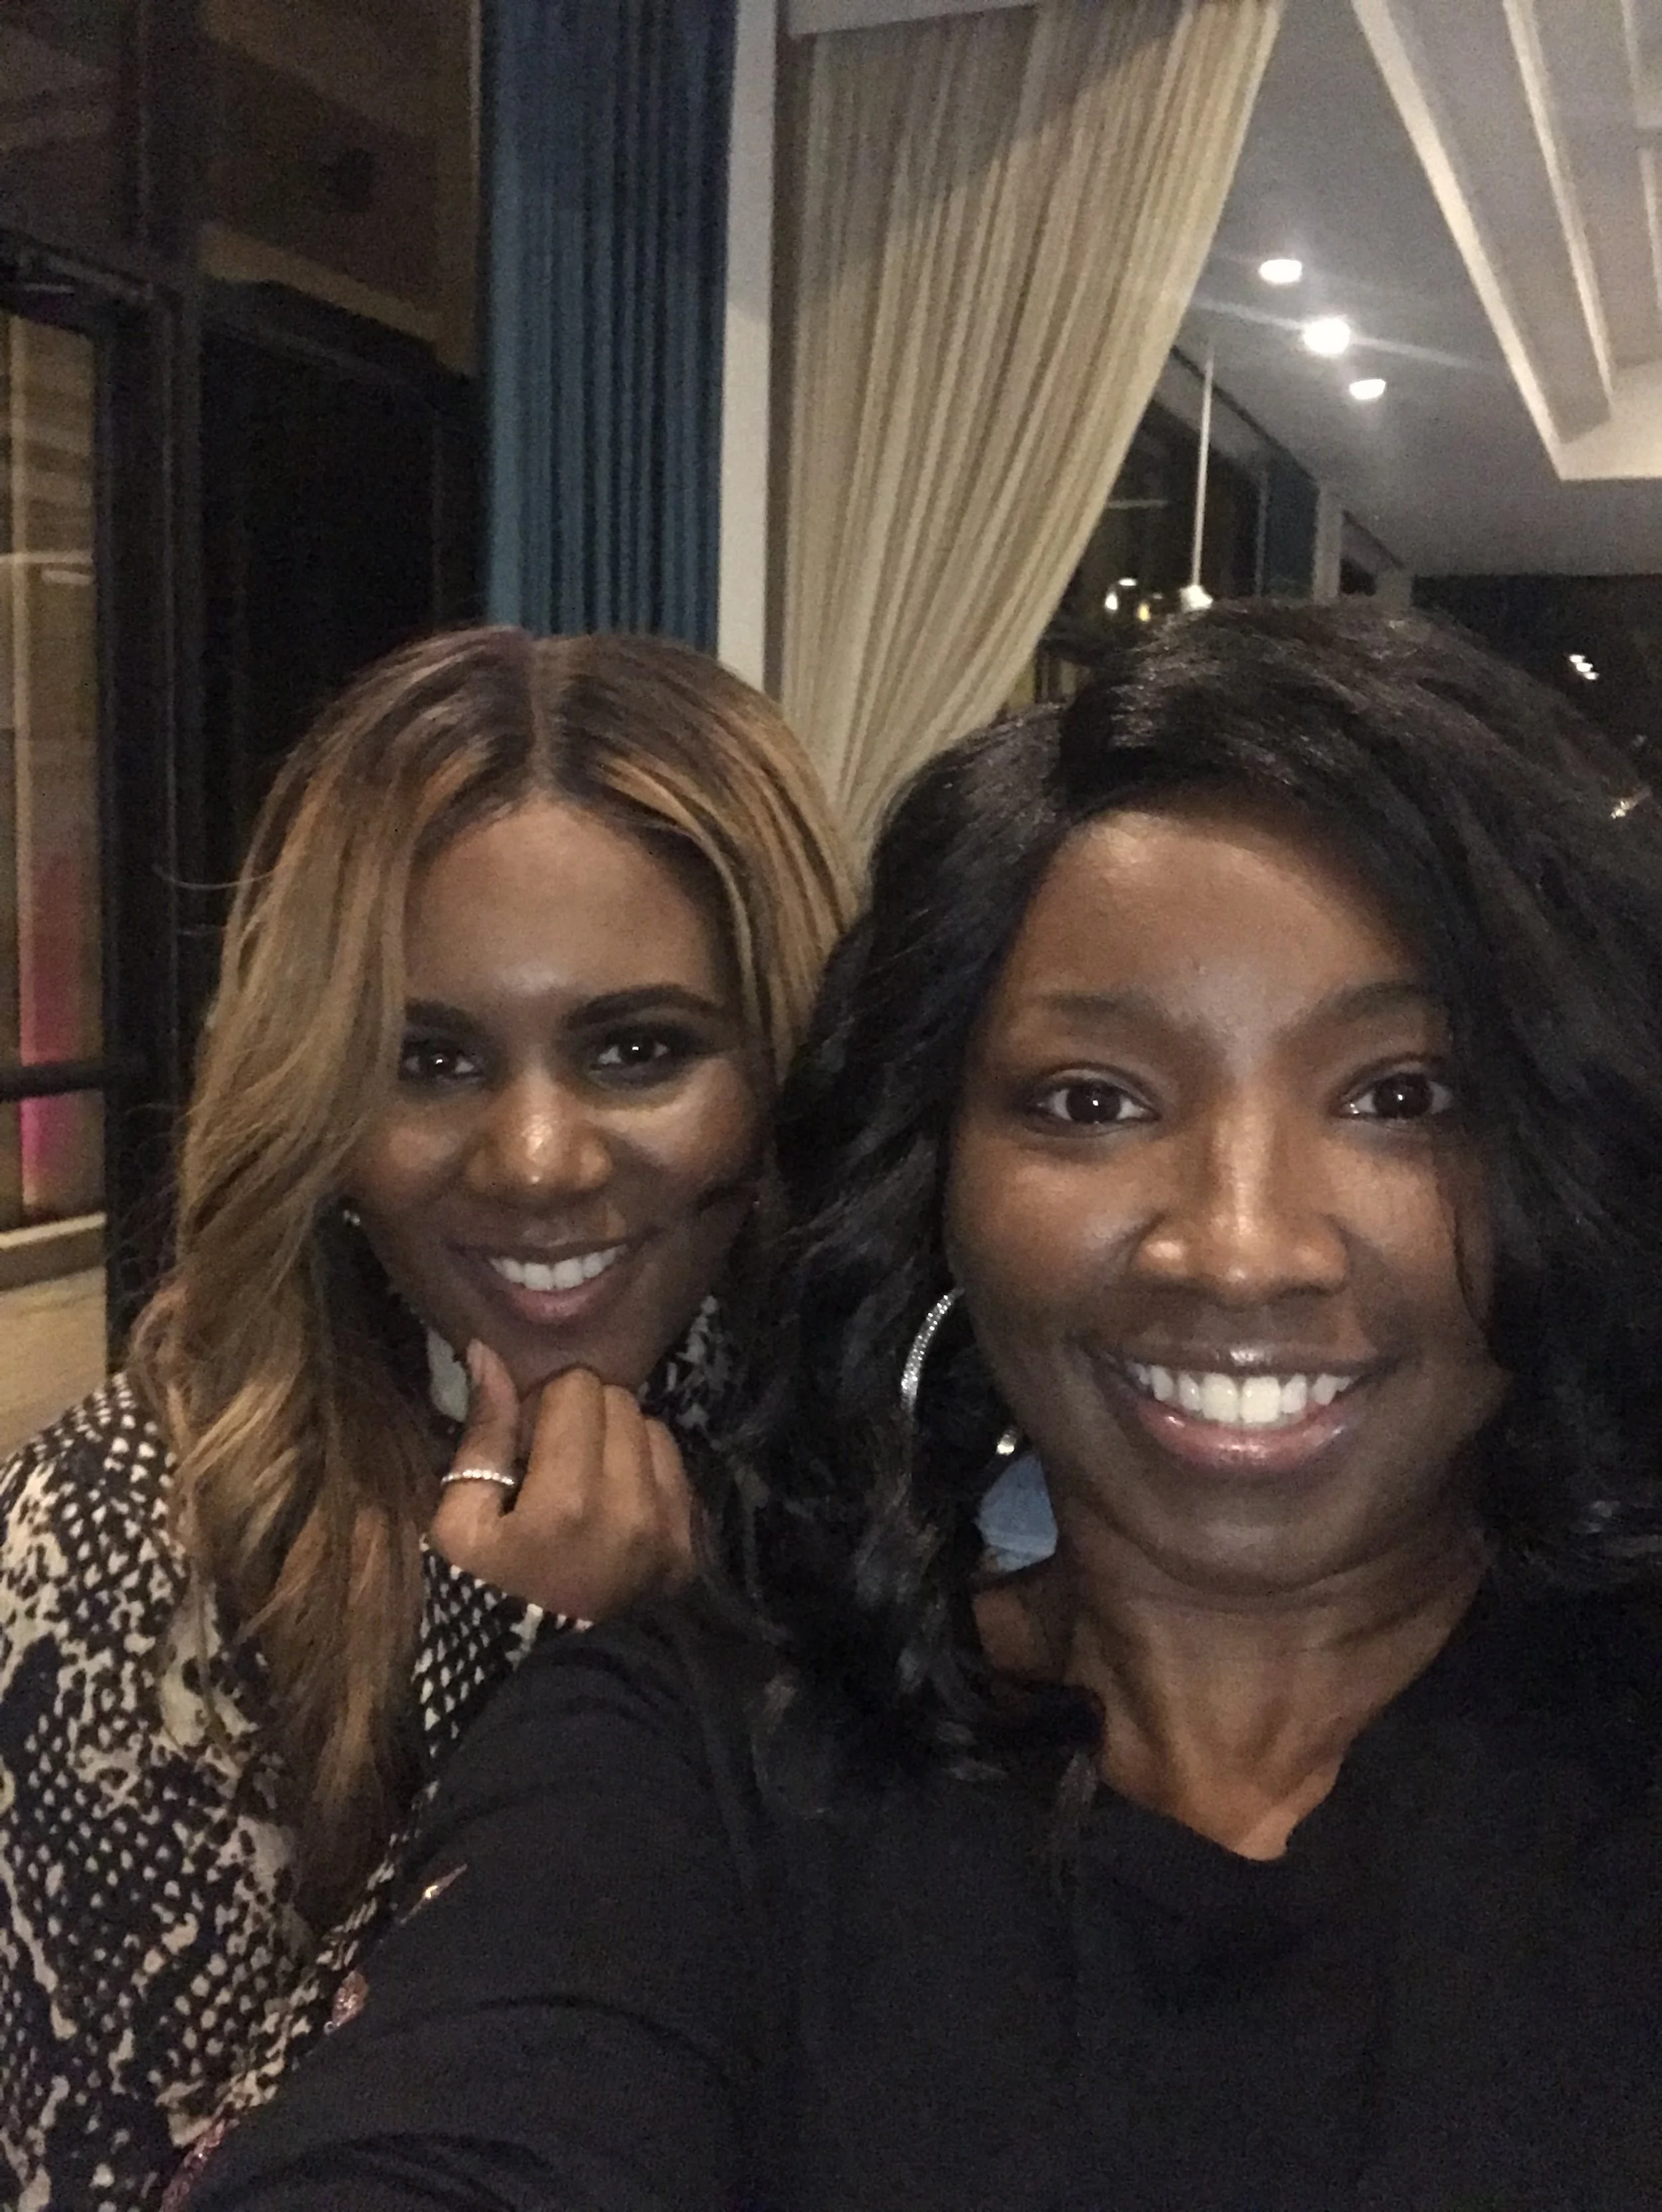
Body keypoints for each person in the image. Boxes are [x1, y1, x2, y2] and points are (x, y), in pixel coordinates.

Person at [189, 603, 1662, 2212]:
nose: (1237, 1246)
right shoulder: (698, 1755)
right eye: (1090, 1099)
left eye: (1400, 1096)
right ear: (932, 1175)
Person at [0, 625, 854, 2211]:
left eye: (638, 1047)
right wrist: (523, 1655)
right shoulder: (124, 1527)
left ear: (783, 1063)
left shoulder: (878, 1489)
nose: (533, 1158)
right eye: (430, 1057)